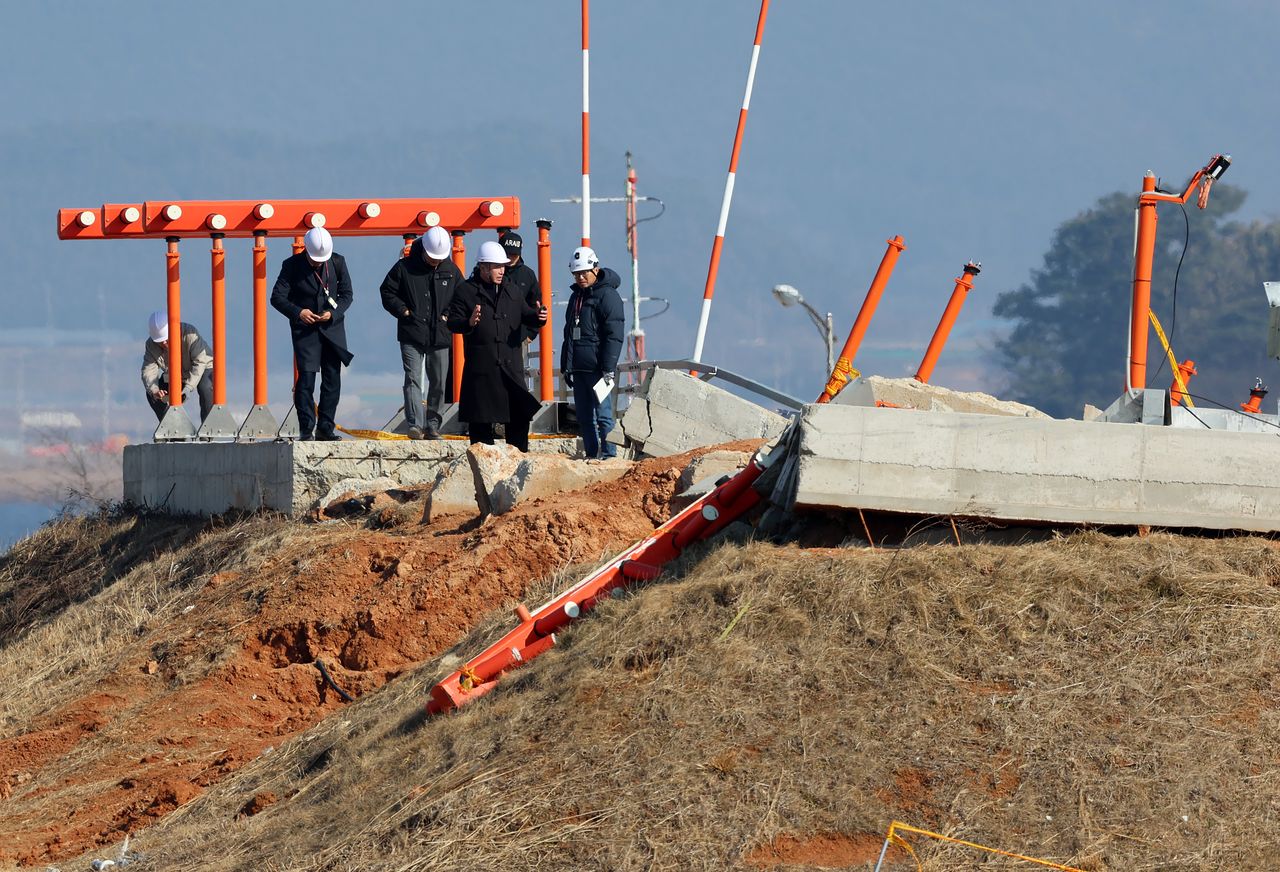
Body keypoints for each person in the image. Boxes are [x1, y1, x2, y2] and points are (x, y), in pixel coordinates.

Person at [445, 240, 547, 451]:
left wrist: (539, 317)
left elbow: (528, 315)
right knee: (480, 426)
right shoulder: (465, 291)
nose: (502, 270)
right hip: (482, 371)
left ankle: (517, 465)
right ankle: (483, 473)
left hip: (510, 369)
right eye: (497, 266)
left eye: (503, 266)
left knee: (518, 419)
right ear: (483, 267)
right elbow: (453, 322)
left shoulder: (512, 290)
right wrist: (469, 323)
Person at [270, 227, 354, 441]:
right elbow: (277, 298)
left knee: (332, 378)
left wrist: (332, 314)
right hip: (305, 331)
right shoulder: (291, 266)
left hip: (332, 329)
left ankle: (326, 428)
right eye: (314, 259)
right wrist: (299, 312)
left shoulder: (338, 262)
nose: (318, 262)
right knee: (306, 379)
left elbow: (347, 295)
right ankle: (306, 429)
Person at [379, 226, 460, 439]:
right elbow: (387, 291)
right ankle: (415, 424)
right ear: (423, 249)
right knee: (413, 378)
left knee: (439, 381)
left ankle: (433, 425)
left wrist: (447, 315)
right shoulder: (404, 268)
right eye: (432, 258)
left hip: (440, 334)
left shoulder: (451, 270)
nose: (435, 262)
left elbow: (461, 296)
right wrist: (403, 311)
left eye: (438, 258)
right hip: (411, 332)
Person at [560, 246, 624, 459]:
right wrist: (566, 366)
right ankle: (590, 454)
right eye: (576, 273)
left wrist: (608, 368)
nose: (580, 277)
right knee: (585, 417)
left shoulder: (608, 296)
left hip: (598, 369)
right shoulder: (576, 297)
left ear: (595, 269)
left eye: (584, 272)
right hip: (579, 368)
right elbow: (568, 334)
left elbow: (614, 335)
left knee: (604, 415)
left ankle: (609, 455)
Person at [140, 311, 214, 422]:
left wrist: (188, 388)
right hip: (176, 373)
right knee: (152, 395)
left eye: (166, 339)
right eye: (160, 341)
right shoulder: (151, 345)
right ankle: (173, 428)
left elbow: (200, 362)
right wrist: (155, 391)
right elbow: (148, 370)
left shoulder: (190, 333)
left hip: (203, 368)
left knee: (206, 388)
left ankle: (208, 430)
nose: (164, 343)